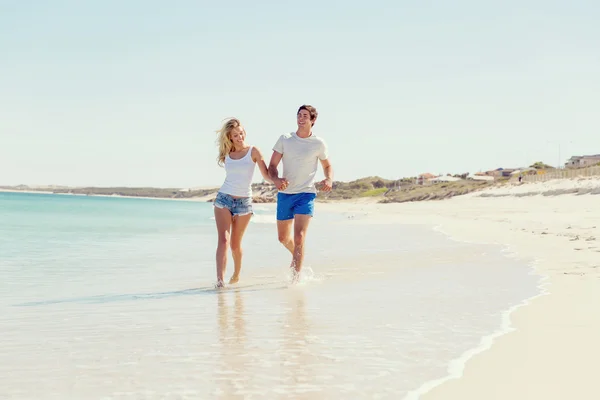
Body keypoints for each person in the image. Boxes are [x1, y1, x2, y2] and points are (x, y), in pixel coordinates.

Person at [268, 104, 333, 282]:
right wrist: (276, 180)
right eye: (299, 115)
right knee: (283, 238)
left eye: (305, 115)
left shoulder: (318, 143)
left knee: (299, 237)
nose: (301, 118)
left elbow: (327, 166)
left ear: (313, 120)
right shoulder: (285, 139)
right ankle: (298, 254)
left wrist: (328, 179)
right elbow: (272, 166)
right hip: (285, 193)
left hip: (306, 194)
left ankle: (295, 280)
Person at [213, 118, 271, 288]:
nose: (240, 137)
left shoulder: (253, 151)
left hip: (244, 202)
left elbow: (266, 175)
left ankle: (236, 274)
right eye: (235, 135)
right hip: (224, 199)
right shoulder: (227, 154)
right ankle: (220, 281)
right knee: (223, 240)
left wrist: (278, 181)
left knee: (235, 245)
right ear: (230, 138)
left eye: (241, 133)